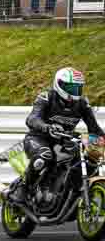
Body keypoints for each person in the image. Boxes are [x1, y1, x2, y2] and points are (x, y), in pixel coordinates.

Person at [11, 68, 105, 203]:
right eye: (71, 88)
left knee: (87, 158)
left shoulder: (82, 103)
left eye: (77, 88)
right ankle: (23, 188)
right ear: (59, 84)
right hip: (38, 138)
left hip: (63, 141)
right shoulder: (46, 97)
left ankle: (69, 191)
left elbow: (94, 128)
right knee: (44, 156)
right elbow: (32, 119)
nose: (74, 92)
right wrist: (47, 127)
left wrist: (102, 138)